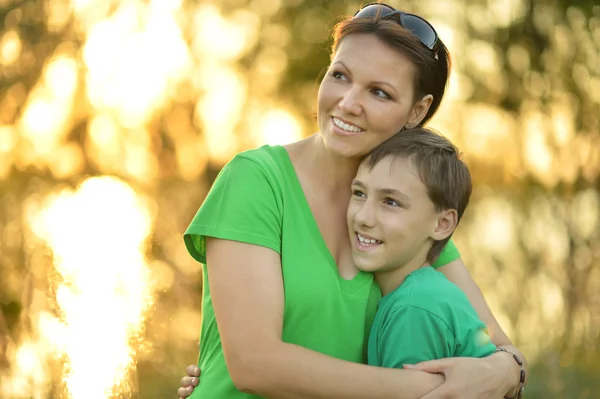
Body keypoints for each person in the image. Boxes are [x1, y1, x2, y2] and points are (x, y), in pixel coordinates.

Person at [178, 3, 527, 399]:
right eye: (340, 76)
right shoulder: (257, 180)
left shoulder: (404, 215)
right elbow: (255, 365)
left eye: (379, 92)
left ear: (418, 110)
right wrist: (435, 390)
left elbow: (501, 347)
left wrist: (506, 370)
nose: (347, 102)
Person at [347, 127, 497, 369]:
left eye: (391, 202)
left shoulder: (414, 308)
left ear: (442, 224)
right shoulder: (430, 292)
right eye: (359, 193)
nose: (363, 217)